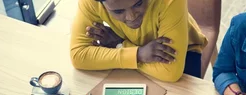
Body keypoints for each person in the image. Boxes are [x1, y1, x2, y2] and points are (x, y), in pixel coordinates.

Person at [70, 0, 207, 81]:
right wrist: (138, 54)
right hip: (137, 48)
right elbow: (78, 55)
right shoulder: (90, 2)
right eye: (118, 11)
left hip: (186, 50)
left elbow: (170, 72)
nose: (131, 17)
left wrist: (120, 45)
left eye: (138, 3)